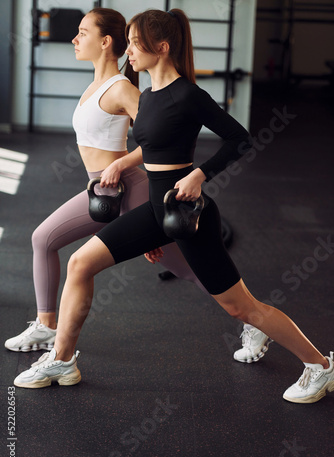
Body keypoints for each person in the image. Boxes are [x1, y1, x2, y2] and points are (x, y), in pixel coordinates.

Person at [13, 8, 333, 404]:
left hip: (190, 215)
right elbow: (150, 154)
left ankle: (320, 365)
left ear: (161, 48)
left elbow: (240, 139)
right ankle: (61, 359)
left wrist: (200, 174)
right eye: (127, 41)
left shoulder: (189, 95)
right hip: (154, 211)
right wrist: (138, 211)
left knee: (241, 308)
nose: (129, 51)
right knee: (80, 263)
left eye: (134, 43)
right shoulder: (146, 96)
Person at [6, 7, 261, 356]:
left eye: (83, 32)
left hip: (130, 188)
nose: (74, 38)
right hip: (103, 189)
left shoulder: (123, 89)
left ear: (104, 41)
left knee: (187, 269)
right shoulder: (96, 85)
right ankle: (47, 326)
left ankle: (253, 320)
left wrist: (127, 165)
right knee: (43, 239)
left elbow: (158, 137)